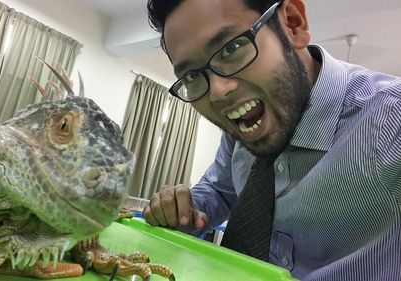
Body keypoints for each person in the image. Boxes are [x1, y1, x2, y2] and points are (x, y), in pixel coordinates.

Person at [142, 0, 401, 280]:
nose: (217, 92)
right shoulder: (243, 131)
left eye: (231, 48)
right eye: (192, 76)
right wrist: (184, 209)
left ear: (292, 23)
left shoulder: (391, 122)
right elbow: (219, 190)